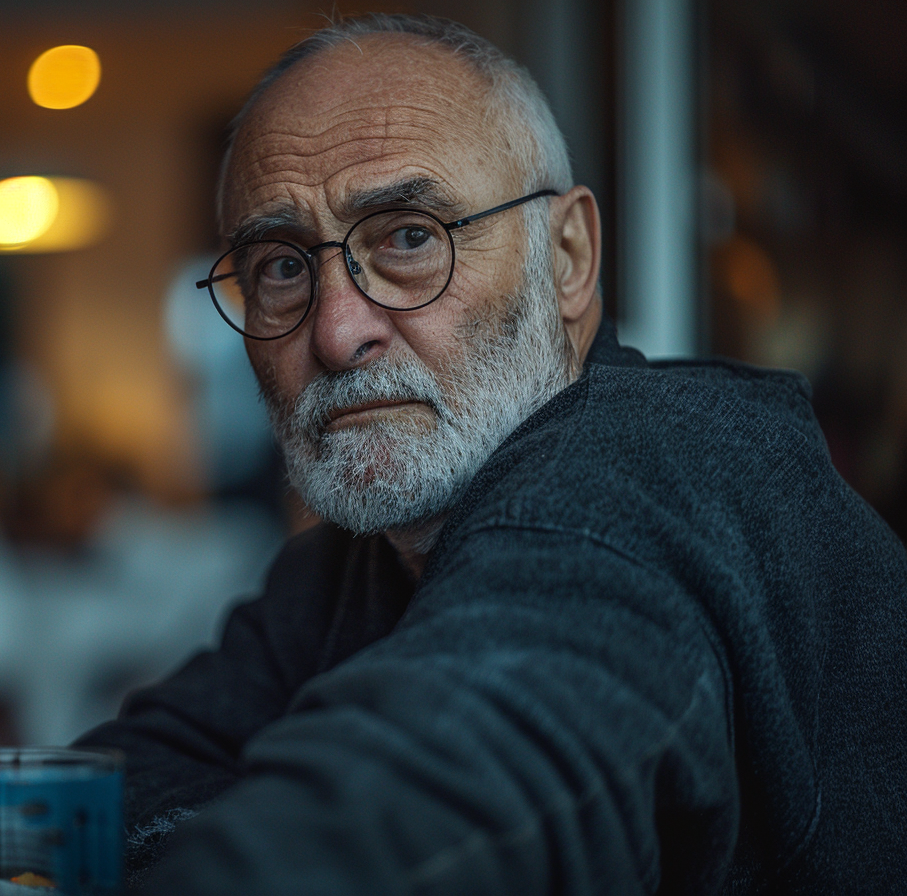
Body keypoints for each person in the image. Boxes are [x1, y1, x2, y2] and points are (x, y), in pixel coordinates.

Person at [76, 13, 907, 894]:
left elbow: (447, 795)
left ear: (570, 257)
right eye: (282, 265)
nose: (335, 330)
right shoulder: (349, 566)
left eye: (407, 237)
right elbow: (105, 790)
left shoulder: (656, 472)